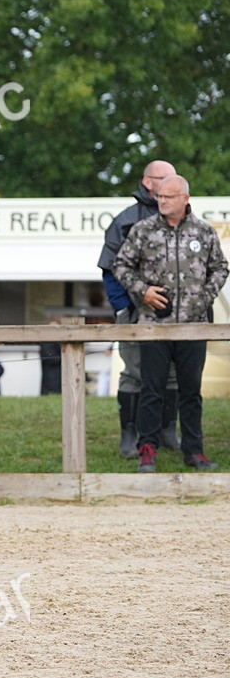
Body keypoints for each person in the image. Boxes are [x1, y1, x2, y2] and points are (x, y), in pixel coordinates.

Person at [114, 174, 228, 473]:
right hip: (154, 324)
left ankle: (194, 452)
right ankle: (147, 450)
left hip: (193, 326)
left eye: (168, 197)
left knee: (191, 391)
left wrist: (203, 297)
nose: (161, 201)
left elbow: (220, 267)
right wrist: (143, 291)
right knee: (152, 388)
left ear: (185, 199)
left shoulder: (203, 232)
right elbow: (121, 265)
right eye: (160, 196)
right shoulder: (142, 230)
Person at [97, 160, 182, 456]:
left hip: (177, 316)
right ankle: (129, 435)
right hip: (135, 314)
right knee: (134, 373)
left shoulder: (182, 219)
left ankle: (168, 431)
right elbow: (110, 270)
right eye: (165, 178)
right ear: (148, 182)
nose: (171, 182)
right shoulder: (125, 220)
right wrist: (122, 309)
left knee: (172, 374)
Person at [38, 317, 62, 395]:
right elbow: (52, 359)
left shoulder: (58, 341)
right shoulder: (46, 342)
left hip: (59, 377)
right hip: (50, 378)